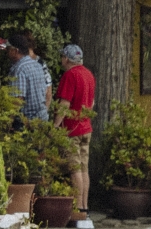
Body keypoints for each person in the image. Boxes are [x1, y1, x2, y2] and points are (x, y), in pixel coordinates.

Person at [59, 44, 96, 222]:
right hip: (86, 127)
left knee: (74, 169)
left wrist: (55, 126)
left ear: (67, 58)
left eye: (62, 57)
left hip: (72, 128)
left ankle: (78, 208)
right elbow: (92, 103)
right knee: (83, 167)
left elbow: (64, 104)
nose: (61, 60)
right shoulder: (88, 74)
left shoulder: (70, 75)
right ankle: (85, 207)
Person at [8, 32, 52, 121]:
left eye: (8, 48)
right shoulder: (37, 65)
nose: (6, 51)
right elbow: (47, 92)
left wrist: (8, 120)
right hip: (41, 119)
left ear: (15, 51)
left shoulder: (19, 69)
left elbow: (18, 99)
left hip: (27, 122)